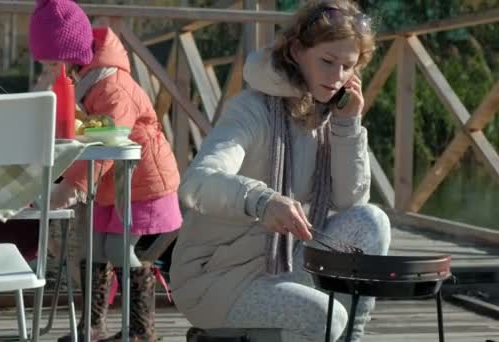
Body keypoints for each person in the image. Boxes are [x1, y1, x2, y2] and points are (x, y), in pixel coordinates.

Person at [170, 1, 391, 341]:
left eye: (347, 66)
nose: (337, 78)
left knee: (371, 222)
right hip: (217, 278)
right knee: (327, 319)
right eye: (327, 61)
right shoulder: (252, 109)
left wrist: (348, 126)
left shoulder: (328, 114)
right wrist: (262, 201)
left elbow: (349, 202)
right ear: (298, 51)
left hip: (284, 260)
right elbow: (196, 183)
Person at [28, 0, 183, 341]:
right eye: (45, 64)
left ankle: (140, 330)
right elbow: (78, 129)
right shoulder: (79, 79)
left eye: (53, 63)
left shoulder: (114, 87)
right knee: (93, 248)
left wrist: (71, 187)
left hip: (142, 183)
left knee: (119, 250)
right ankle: (93, 325)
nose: (50, 70)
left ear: (72, 55)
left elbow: (105, 143)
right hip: (110, 187)